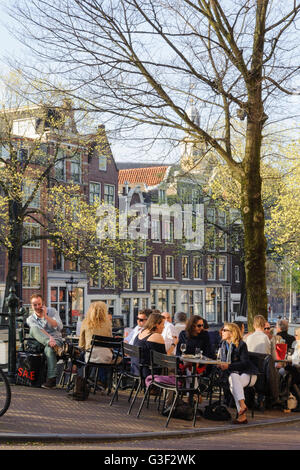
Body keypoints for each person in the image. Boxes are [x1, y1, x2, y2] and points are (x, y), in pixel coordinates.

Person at [217, 323, 258, 424]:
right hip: (235, 375)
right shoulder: (223, 344)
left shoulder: (241, 345)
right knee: (233, 379)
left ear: (232, 332)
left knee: (233, 382)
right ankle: (242, 408)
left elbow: (245, 363)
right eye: (222, 330)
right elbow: (222, 360)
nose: (222, 332)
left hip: (248, 374)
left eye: (224, 330)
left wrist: (228, 366)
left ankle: (242, 413)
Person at [26, 294, 64, 389]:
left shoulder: (52, 311)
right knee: (33, 329)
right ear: (31, 305)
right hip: (39, 343)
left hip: (56, 340)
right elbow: (39, 331)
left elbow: (59, 326)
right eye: (35, 305)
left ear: (43, 303)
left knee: (49, 349)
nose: (37, 307)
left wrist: (46, 316)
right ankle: (53, 346)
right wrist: (49, 339)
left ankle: (51, 380)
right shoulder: (30, 319)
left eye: (39, 304)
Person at [132, 313, 177, 377]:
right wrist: (174, 344)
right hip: (148, 373)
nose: (164, 327)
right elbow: (164, 359)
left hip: (136, 370)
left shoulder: (141, 332)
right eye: (163, 324)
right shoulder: (157, 336)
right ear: (156, 325)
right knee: (175, 365)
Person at [284, 327, 300, 412]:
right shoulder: (296, 344)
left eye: (296, 335)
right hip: (295, 368)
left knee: (291, 376)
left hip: (298, 369)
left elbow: (296, 360)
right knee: (288, 372)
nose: (295, 336)